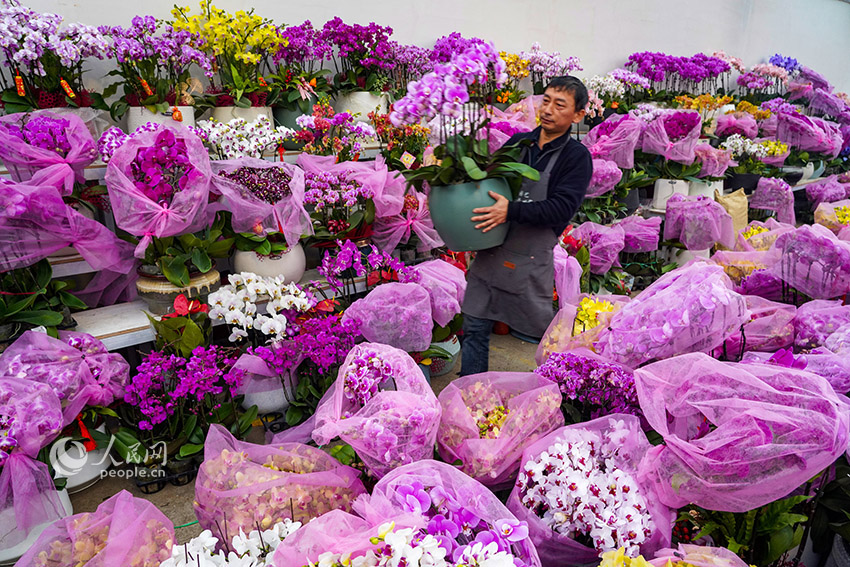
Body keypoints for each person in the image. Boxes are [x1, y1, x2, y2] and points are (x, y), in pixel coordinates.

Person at [459, 75, 593, 376]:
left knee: (541, 339)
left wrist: (510, 210)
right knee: (474, 327)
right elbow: (491, 183)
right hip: (492, 254)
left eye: (560, 105)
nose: (548, 110)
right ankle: (470, 394)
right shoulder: (519, 144)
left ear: (578, 115)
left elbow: (561, 208)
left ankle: (545, 395)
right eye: (546, 101)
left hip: (530, 263)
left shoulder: (576, 158)